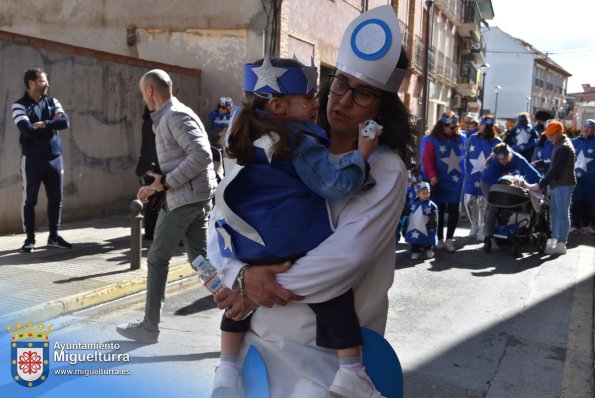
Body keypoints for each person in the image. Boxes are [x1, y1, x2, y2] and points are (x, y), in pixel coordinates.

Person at [209, 5, 415, 397]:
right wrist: (237, 273)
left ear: (382, 106)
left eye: (363, 93)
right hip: (259, 347)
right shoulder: (280, 144)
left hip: (332, 361)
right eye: (340, 83)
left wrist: (252, 285)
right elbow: (221, 215)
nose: (344, 100)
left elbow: (341, 261)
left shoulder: (385, 170)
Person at [116, 69, 217, 343]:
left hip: (185, 199)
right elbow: (186, 155)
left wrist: (168, 183)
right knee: (200, 261)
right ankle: (233, 304)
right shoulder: (172, 115)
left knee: (157, 259)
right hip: (196, 196)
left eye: (142, 92)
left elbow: (202, 155)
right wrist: (156, 183)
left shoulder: (174, 115)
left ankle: (149, 328)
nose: (143, 98)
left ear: (149, 90)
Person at [12, 68, 72, 252]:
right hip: (32, 160)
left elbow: (65, 122)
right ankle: (29, 239)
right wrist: (51, 126)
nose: (47, 84)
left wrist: (45, 124)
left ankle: (54, 237)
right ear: (32, 83)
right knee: (30, 200)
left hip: (55, 158)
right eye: (43, 81)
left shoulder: (53, 102)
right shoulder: (19, 105)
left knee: (56, 199)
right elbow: (26, 129)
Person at [526, 121, 576, 255]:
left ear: (559, 133)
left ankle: (561, 243)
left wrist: (540, 184)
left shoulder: (563, 147)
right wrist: (541, 163)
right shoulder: (560, 144)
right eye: (548, 135)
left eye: (551, 135)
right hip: (560, 183)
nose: (549, 138)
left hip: (563, 183)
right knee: (556, 212)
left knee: (562, 213)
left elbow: (556, 171)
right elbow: (555, 164)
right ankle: (555, 239)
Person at [481, 143, 542, 252]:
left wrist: (540, 184)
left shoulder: (518, 158)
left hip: (504, 182)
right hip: (489, 183)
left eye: (505, 158)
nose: (503, 161)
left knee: (507, 205)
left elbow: (532, 172)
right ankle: (489, 236)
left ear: (509, 154)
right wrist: (514, 179)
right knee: (493, 206)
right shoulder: (494, 163)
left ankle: (503, 231)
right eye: (500, 160)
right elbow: (499, 182)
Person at [421, 111, 466, 252]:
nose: (452, 130)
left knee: (454, 209)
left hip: (456, 180)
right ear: (442, 125)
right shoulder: (431, 139)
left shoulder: (462, 138)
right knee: (438, 210)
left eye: (454, 127)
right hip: (438, 180)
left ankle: (449, 239)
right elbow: (426, 160)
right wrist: (432, 175)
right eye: (449, 127)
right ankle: (439, 238)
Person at [464, 115, 502, 241]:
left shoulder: (497, 142)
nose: (478, 126)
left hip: (486, 177)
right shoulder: (473, 137)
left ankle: (481, 228)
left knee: (482, 203)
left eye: (481, 124)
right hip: (471, 174)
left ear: (488, 127)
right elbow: (466, 154)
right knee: (468, 201)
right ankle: (473, 224)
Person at [135, 106, 161, 241]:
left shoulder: (147, 121)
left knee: (151, 204)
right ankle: (151, 233)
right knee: (155, 204)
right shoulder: (155, 123)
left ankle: (150, 233)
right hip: (154, 167)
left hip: (146, 165)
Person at [570, 119, 595, 235]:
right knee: (576, 201)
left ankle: (585, 225)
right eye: (585, 126)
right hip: (576, 177)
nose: (586, 129)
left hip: (591, 179)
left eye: (589, 127)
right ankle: (575, 225)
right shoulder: (573, 142)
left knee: (588, 203)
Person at [405, 181, 438, 259]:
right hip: (414, 226)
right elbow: (407, 211)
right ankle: (415, 252)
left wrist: (433, 225)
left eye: (428, 193)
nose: (426, 195)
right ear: (418, 193)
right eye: (423, 193)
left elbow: (434, 216)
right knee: (414, 240)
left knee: (427, 239)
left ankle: (429, 250)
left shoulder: (432, 205)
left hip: (427, 227)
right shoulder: (413, 203)